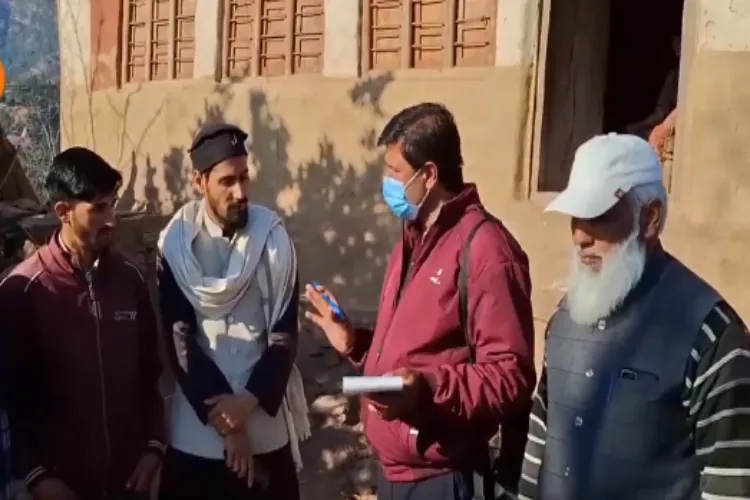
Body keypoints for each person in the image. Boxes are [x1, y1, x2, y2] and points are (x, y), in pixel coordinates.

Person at [305, 102, 536, 500]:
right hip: (395, 475)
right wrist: (355, 343)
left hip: (442, 478)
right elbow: (418, 348)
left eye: (395, 172)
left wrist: (427, 389)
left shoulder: (486, 251)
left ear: (428, 175)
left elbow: (510, 377)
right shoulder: (413, 239)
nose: (387, 182)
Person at [518, 134, 750, 500]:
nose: (580, 235)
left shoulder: (711, 333)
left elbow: (730, 483)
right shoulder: (565, 318)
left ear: (650, 217)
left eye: (598, 216)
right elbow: (541, 436)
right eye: (576, 216)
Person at [0, 147, 165, 500]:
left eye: (113, 203)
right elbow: (13, 400)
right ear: (63, 212)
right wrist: (39, 478)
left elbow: (150, 374)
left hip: (130, 485)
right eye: (98, 208)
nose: (112, 220)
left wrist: (153, 449)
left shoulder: (130, 281)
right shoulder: (24, 291)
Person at [156, 123, 309, 500]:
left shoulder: (273, 238)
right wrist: (228, 424)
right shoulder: (175, 244)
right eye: (227, 182)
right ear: (199, 182)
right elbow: (181, 342)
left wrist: (246, 406)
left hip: (262, 414)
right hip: (199, 424)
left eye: (244, 178)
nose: (240, 192)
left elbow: (283, 335)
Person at [625, 31, 681, 148]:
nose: (674, 45)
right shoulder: (673, 75)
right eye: (673, 41)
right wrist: (637, 126)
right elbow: (660, 112)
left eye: (677, 40)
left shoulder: (688, 75)